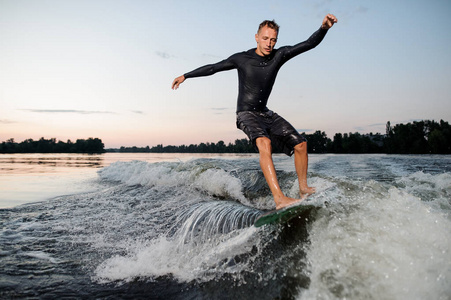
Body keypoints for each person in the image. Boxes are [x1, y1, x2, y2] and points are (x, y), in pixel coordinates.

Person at [172, 14, 337, 209]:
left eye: (273, 39)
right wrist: (186, 76)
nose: (269, 43)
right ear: (257, 37)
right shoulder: (242, 59)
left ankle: (303, 188)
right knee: (264, 143)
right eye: (265, 38)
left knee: (301, 145)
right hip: (245, 114)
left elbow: (309, 43)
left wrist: (324, 28)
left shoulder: (279, 55)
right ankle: (279, 199)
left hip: (265, 113)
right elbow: (213, 68)